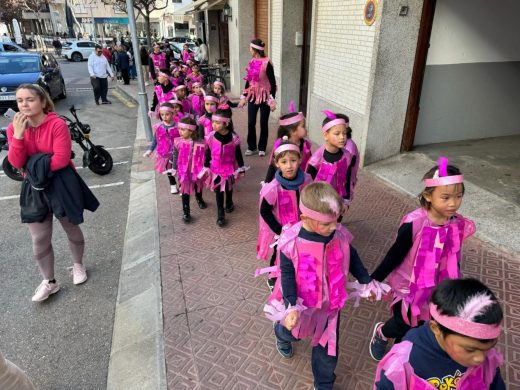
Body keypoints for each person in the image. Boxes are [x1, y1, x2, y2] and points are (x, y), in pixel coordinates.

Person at [262, 182, 387, 390]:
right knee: (291, 332)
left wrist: (366, 280)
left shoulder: (337, 233)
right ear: (305, 219)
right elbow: (287, 275)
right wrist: (291, 305)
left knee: (328, 349)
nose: (334, 228)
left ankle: (323, 384)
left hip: (330, 306)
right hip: (301, 305)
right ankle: (280, 334)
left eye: (336, 221)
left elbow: (352, 255)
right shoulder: (290, 242)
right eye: (327, 224)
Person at [369, 157, 476, 361]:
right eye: (445, 197)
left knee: (420, 325)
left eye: (458, 196)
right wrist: (373, 280)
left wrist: (456, 285)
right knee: (403, 322)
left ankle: (402, 357)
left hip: (437, 287)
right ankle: (382, 332)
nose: (453, 203)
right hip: (409, 288)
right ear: (428, 196)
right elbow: (394, 255)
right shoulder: (415, 223)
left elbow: (454, 255)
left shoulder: (456, 224)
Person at [6, 84, 99, 302]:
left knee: (71, 227)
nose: (24, 104)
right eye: (20, 100)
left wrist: (32, 165)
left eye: (29, 99)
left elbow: (61, 159)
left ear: (42, 101)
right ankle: (49, 281)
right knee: (39, 238)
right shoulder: (14, 128)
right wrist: (18, 136)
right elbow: (15, 163)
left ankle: (78, 265)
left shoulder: (56, 124)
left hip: (61, 183)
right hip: (34, 188)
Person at [374, 278, 506, 389]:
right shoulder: (405, 360)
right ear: (436, 329)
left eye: (488, 348)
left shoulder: (482, 350)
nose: (480, 358)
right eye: (470, 349)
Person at [257, 138, 313, 291]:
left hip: (302, 228)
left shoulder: (307, 180)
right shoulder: (273, 187)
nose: (289, 166)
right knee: (279, 255)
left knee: (301, 252)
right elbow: (264, 211)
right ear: (277, 163)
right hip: (283, 231)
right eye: (284, 162)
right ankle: (274, 276)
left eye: (293, 160)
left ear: (300, 159)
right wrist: (279, 230)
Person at [202, 108, 246, 227]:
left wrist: (241, 167)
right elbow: (207, 152)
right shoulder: (210, 137)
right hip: (215, 170)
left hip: (230, 169)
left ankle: (229, 202)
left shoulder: (234, 138)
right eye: (213, 122)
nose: (214, 125)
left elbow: (238, 154)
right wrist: (206, 166)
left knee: (229, 187)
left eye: (217, 122)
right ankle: (220, 213)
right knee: (218, 191)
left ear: (226, 123)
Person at [238, 38, 277, 157]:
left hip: (264, 96)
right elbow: (248, 81)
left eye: (250, 48)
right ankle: (252, 147)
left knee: (263, 122)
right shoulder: (252, 62)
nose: (249, 50)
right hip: (252, 96)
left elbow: (273, 83)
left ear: (255, 50)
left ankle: (262, 147)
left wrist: (272, 100)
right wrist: (244, 97)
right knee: (251, 121)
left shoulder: (267, 63)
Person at [306, 111, 352, 206]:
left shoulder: (347, 156)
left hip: (339, 202)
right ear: (326, 135)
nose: (342, 137)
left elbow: (348, 180)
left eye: (344, 133)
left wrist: (346, 201)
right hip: (319, 204)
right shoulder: (316, 160)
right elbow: (307, 185)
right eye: (337, 134)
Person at [170, 116, 207, 222]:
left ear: (191, 131)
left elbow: (205, 156)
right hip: (184, 171)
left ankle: (199, 199)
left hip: (197, 170)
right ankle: (186, 211)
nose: (180, 132)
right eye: (179, 129)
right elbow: (175, 155)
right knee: (185, 190)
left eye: (183, 129)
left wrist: (205, 168)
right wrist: (174, 168)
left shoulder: (201, 142)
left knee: (198, 186)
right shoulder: (178, 142)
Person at [265, 101, 312, 183]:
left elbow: (311, 163)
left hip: (301, 180)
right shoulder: (280, 145)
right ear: (293, 131)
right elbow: (272, 165)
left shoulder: (305, 144)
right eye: (303, 126)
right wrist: (267, 182)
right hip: (284, 181)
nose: (306, 128)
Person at [151, 103, 180, 194]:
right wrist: (150, 149)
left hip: (177, 152)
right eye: (162, 114)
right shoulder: (158, 126)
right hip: (165, 153)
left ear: (173, 114)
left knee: (179, 169)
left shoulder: (178, 126)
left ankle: (182, 185)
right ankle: (173, 185)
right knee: (168, 169)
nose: (164, 117)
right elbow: (155, 139)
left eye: (167, 114)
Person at [340, 114, 359, 207]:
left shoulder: (349, 149)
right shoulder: (339, 145)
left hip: (343, 187)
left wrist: (346, 198)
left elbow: (346, 175)